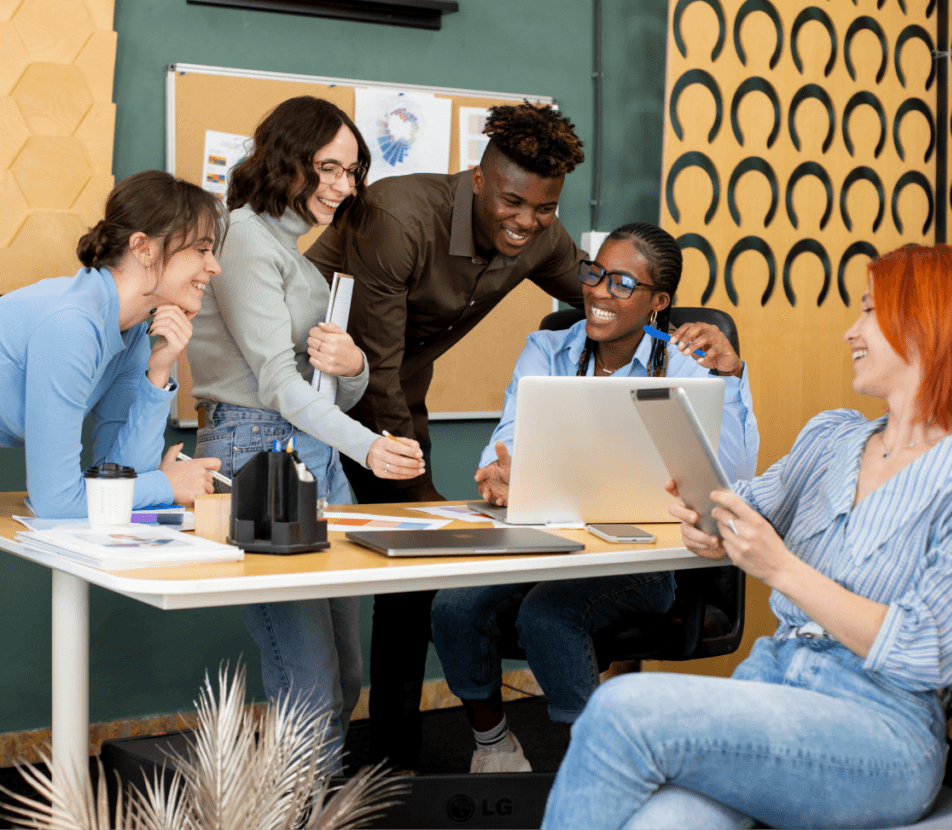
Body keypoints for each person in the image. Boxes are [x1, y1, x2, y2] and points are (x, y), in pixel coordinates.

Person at [541, 244, 952, 830]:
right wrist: (706, 522)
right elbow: (744, 507)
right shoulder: (833, 437)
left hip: (880, 730)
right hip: (773, 685)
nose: (851, 330)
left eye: (869, 311)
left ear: (925, 328)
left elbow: (930, 653)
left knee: (621, 707)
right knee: (663, 822)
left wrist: (782, 568)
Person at [305, 102, 588, 769]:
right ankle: (318, 763)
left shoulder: (541, 233)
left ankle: (393, 760)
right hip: (312, 392)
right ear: (480, 179)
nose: (527, 222)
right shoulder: (401, 215)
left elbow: (609, 297)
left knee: (412, 577)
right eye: (514, 202)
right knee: (316, 576)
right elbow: (371, 358)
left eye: (544, 210)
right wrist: (425, 501)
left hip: (394, 397)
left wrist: (689, 327)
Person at [431, 222, 760, 773]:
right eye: (596, 273)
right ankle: (494, 749)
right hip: (542, 545)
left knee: (547, 615)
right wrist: (501, 471)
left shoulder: (684, 364)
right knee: (454, 605)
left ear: (660, 302)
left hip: (641, 558)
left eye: (623, 283)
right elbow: (509, 436)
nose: (600, 291)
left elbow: (728, 476)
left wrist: (730, 378)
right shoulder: (549, 347)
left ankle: (588, 772)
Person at [188, 96, 425, 755]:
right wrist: (372, 449)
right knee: (311, 688)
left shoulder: (297, 254)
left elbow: (327, 391)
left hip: (312, 454)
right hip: (256, 454)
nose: (343, 187)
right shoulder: (241, 240)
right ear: (286, 159)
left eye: (352, 172)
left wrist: (354, 367)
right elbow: (278, 385)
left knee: (345, 680)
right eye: (328, 168)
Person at [0, 170, 225, 519]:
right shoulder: (72, 325)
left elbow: (116, 472)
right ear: (143, 248)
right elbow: (56, 502)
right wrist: (165, 484)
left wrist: (159, 371)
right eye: (202, 249)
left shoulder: (131, 332)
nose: (214, 267)